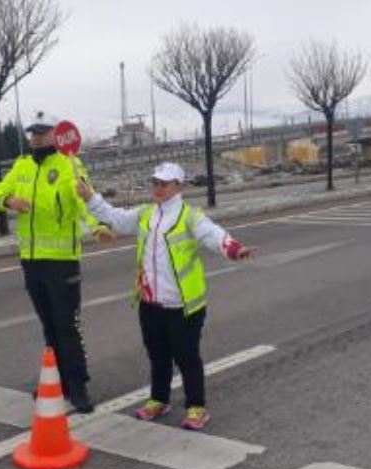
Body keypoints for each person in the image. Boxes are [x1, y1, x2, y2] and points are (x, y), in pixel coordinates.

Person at [77, 162, 251, 430]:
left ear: (178, 186)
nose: (158, 188)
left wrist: (233, 248)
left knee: (186, 356)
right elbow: (115, 217)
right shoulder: (146, 213)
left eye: (164, 184)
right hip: (150, 303)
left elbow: (213, 234)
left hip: (183, 305)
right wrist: (90, 197)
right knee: (157, 356)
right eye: (155, 182)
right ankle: (159, 400)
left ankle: (196, 407)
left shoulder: (189, 216)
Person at [0, 111, 106, 413]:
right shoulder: (22, 166)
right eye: (32, 132)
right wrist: (7, 201)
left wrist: (97, 226)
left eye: (42, 132)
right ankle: (57, 381)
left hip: (62, 261)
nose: (36, 137)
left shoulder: (69, 165)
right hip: (31, 261)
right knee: (49, 326)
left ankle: (78, 387)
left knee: (68, 326)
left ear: (56, 134)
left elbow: (83, 200)